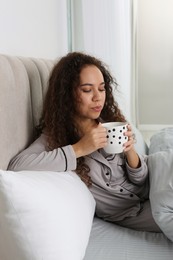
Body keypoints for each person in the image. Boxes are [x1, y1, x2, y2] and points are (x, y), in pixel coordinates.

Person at [8, 52, 161, 232]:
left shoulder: (110, 123)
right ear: (67, 94)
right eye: (87, 90)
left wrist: (130, 152)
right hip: (133, 212)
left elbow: (141, 181)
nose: (98, 97)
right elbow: (16, 165)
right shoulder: (56, 137)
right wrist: (79, 149)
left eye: (102, 88)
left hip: (155, 186)